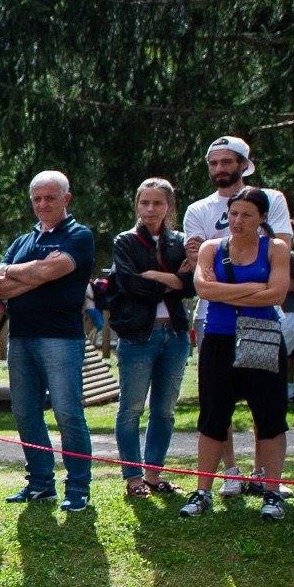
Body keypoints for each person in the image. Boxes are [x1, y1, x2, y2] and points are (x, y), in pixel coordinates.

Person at [183, 135, 293, 495]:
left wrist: (231, 291)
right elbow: (203, 284)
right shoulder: (200, 213)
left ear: (244, 163)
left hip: (262, 328)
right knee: (215, 412)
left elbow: (278, 288)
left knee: (268, 412)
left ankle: (267, 481)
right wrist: (254, 291)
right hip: (216, 327)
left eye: (226, 162)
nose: (219, 169)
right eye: (213, 163)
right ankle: (226, 475)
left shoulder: (273, 203)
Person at [0, 171, 96, 513]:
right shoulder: (22, 240)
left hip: (61, 339)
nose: (42, 204)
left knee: (67, 413)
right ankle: (40, 484)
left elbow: (49, 272)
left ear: (66, 198)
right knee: (25, 414)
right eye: (37, 199)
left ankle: (78, 487)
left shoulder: (79, 236)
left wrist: (16, 272)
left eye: (50, 198)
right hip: (20, 338)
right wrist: (35, 272)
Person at [109, 179, 195, 498]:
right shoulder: (126, 241)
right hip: (137, 336)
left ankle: (154, 474)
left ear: (169, 206)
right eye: (144, 202)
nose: (150, 209)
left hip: (174, 334)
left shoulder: (179, 242)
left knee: (164, 409)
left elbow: (192, 285)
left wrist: (156, 277)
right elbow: (132, 286)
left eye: (157, 203)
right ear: (136, 205)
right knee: (131, 408)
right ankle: (133, 478)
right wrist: (174, 281)